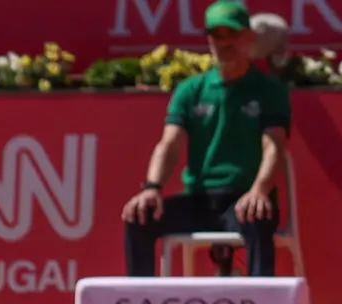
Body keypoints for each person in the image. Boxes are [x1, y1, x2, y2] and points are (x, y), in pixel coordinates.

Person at [122, 1, 291, 277]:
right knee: (140, 217)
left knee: (258, 215)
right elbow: (170, 144)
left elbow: (274, 144)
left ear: (249, 37)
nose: (224, 43)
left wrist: (259, 190)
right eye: (217, 36)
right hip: (199, 201)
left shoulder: (269, 90)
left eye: (232, 34)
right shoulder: (191, 90)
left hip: (244, 198)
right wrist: (151, 188)